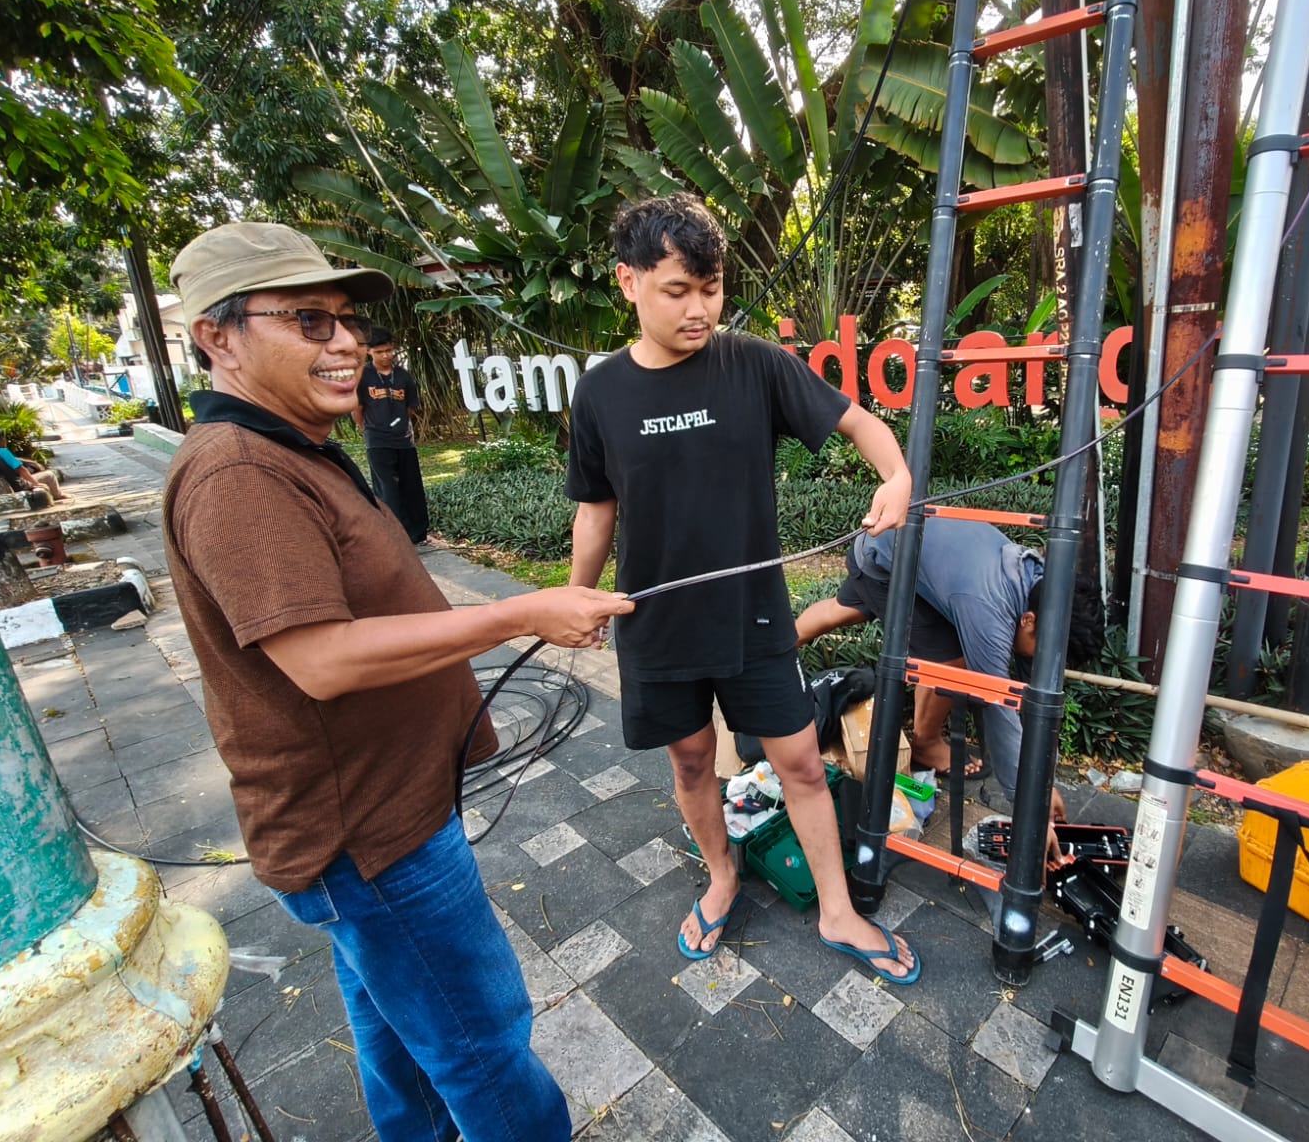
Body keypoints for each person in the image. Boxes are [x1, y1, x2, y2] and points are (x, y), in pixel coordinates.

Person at [162, 221, 631, 1142]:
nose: (343, 343)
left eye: (345, 320)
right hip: (368, 836)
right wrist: (519, 613)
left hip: (388, 816)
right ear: (215, 335)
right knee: (481, 1039)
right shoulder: (238, 472)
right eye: (307, 319)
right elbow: (321, 658)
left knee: (399, 1026)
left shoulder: (287, 445)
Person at [565, 192, 919, 983]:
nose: (700, 309)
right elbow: (596, 510)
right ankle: (722, 875)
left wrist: (896, 477)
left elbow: (860, 423)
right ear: (628, 282)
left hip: (754, 616)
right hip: (656, 626)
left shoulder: (753, 363)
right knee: (692, 762)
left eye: (712, 288)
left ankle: (836, 906)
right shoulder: (601, 393)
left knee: (796, 759)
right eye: (678, 291)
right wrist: (573, 599)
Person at [795, 517, 1106, 859]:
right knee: (954, 660)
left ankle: (781, 645)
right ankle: (926, 743)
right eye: (1046, 653)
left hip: (896, 542)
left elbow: (1032, 694)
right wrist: (1029, 809)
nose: (1045, 662)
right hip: (883, 558)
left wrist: (1042, 786)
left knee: (842, 611)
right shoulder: (989, 608)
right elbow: (999, 705)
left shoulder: (1040, 586)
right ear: (1029, 621)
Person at [352, 324, 430, 543]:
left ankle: (418, 533)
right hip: (377, 440)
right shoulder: (363, 376)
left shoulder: (403, 376)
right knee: (387, 488)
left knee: (411, 486)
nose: (385, 355)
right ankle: (396, 535)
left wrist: (400, 424)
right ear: (369, 351)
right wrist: (368, 430)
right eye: (379, 352)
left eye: (388, 350)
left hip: (404, 441)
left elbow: (410, 407)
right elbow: (356, 408)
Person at [0, 428, 65, 501]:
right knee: (49, 475)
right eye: (2, 438)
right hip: (19, 485)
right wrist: (35, 483)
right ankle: (58, 495)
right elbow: (22, 470)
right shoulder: (3, 452)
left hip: (4, 485)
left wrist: (31, 463)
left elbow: (14, 460)